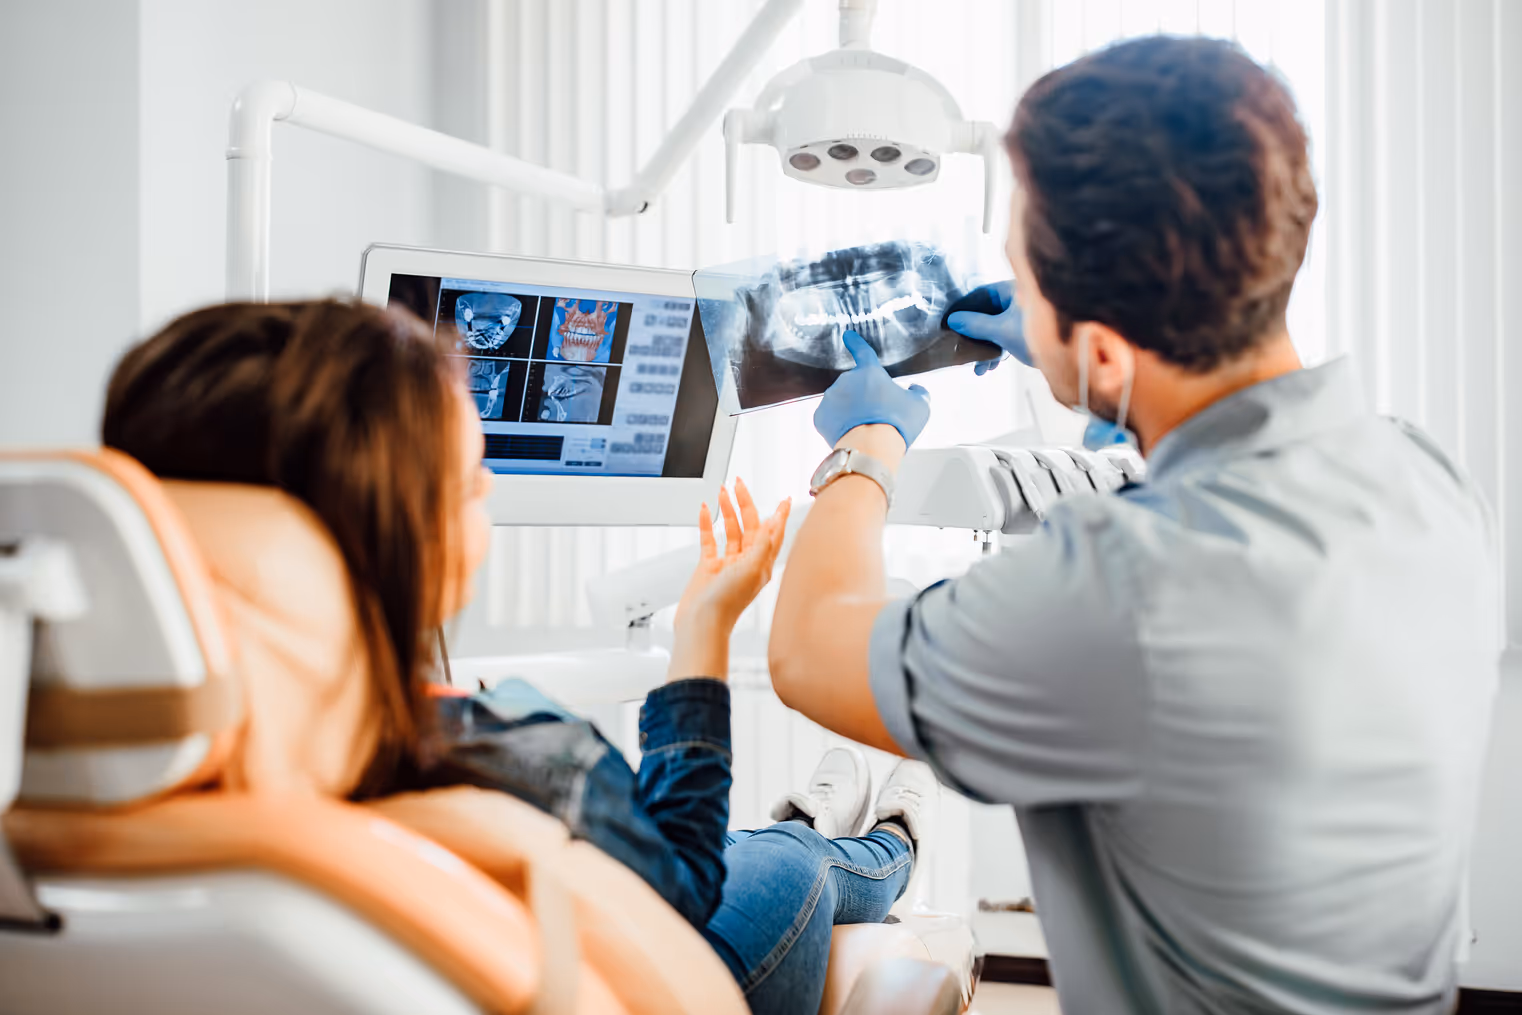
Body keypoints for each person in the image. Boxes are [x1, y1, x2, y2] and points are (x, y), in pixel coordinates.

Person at [769, 36, 1500, 1015]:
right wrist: (1088, 366)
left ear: (1107, 350)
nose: (1017, 293)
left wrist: (865, 443)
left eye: (1025, 277)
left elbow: (810, 651)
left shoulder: (1123, 591)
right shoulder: (1423, 473)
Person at [99, 298, 938, 1015]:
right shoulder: (525, 765)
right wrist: (706, 627)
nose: (490, 488)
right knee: (783, 859)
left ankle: (821, 813)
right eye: (468, 479)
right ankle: (890, 843)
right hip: (674, 958)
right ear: (391, 536)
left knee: (762, 841)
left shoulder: (123, 788)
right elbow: (684, 880)